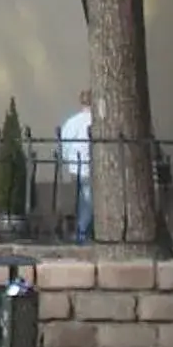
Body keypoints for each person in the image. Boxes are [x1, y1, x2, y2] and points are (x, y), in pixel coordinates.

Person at [60, 89, 95, 243]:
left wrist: (68, 160)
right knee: (88, 199)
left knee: (84, 197)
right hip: (90, 165)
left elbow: (64, 144)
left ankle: (83, 230)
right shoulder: (96, 121)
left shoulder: (72, 121)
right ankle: (83, 230)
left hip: (76, 166)